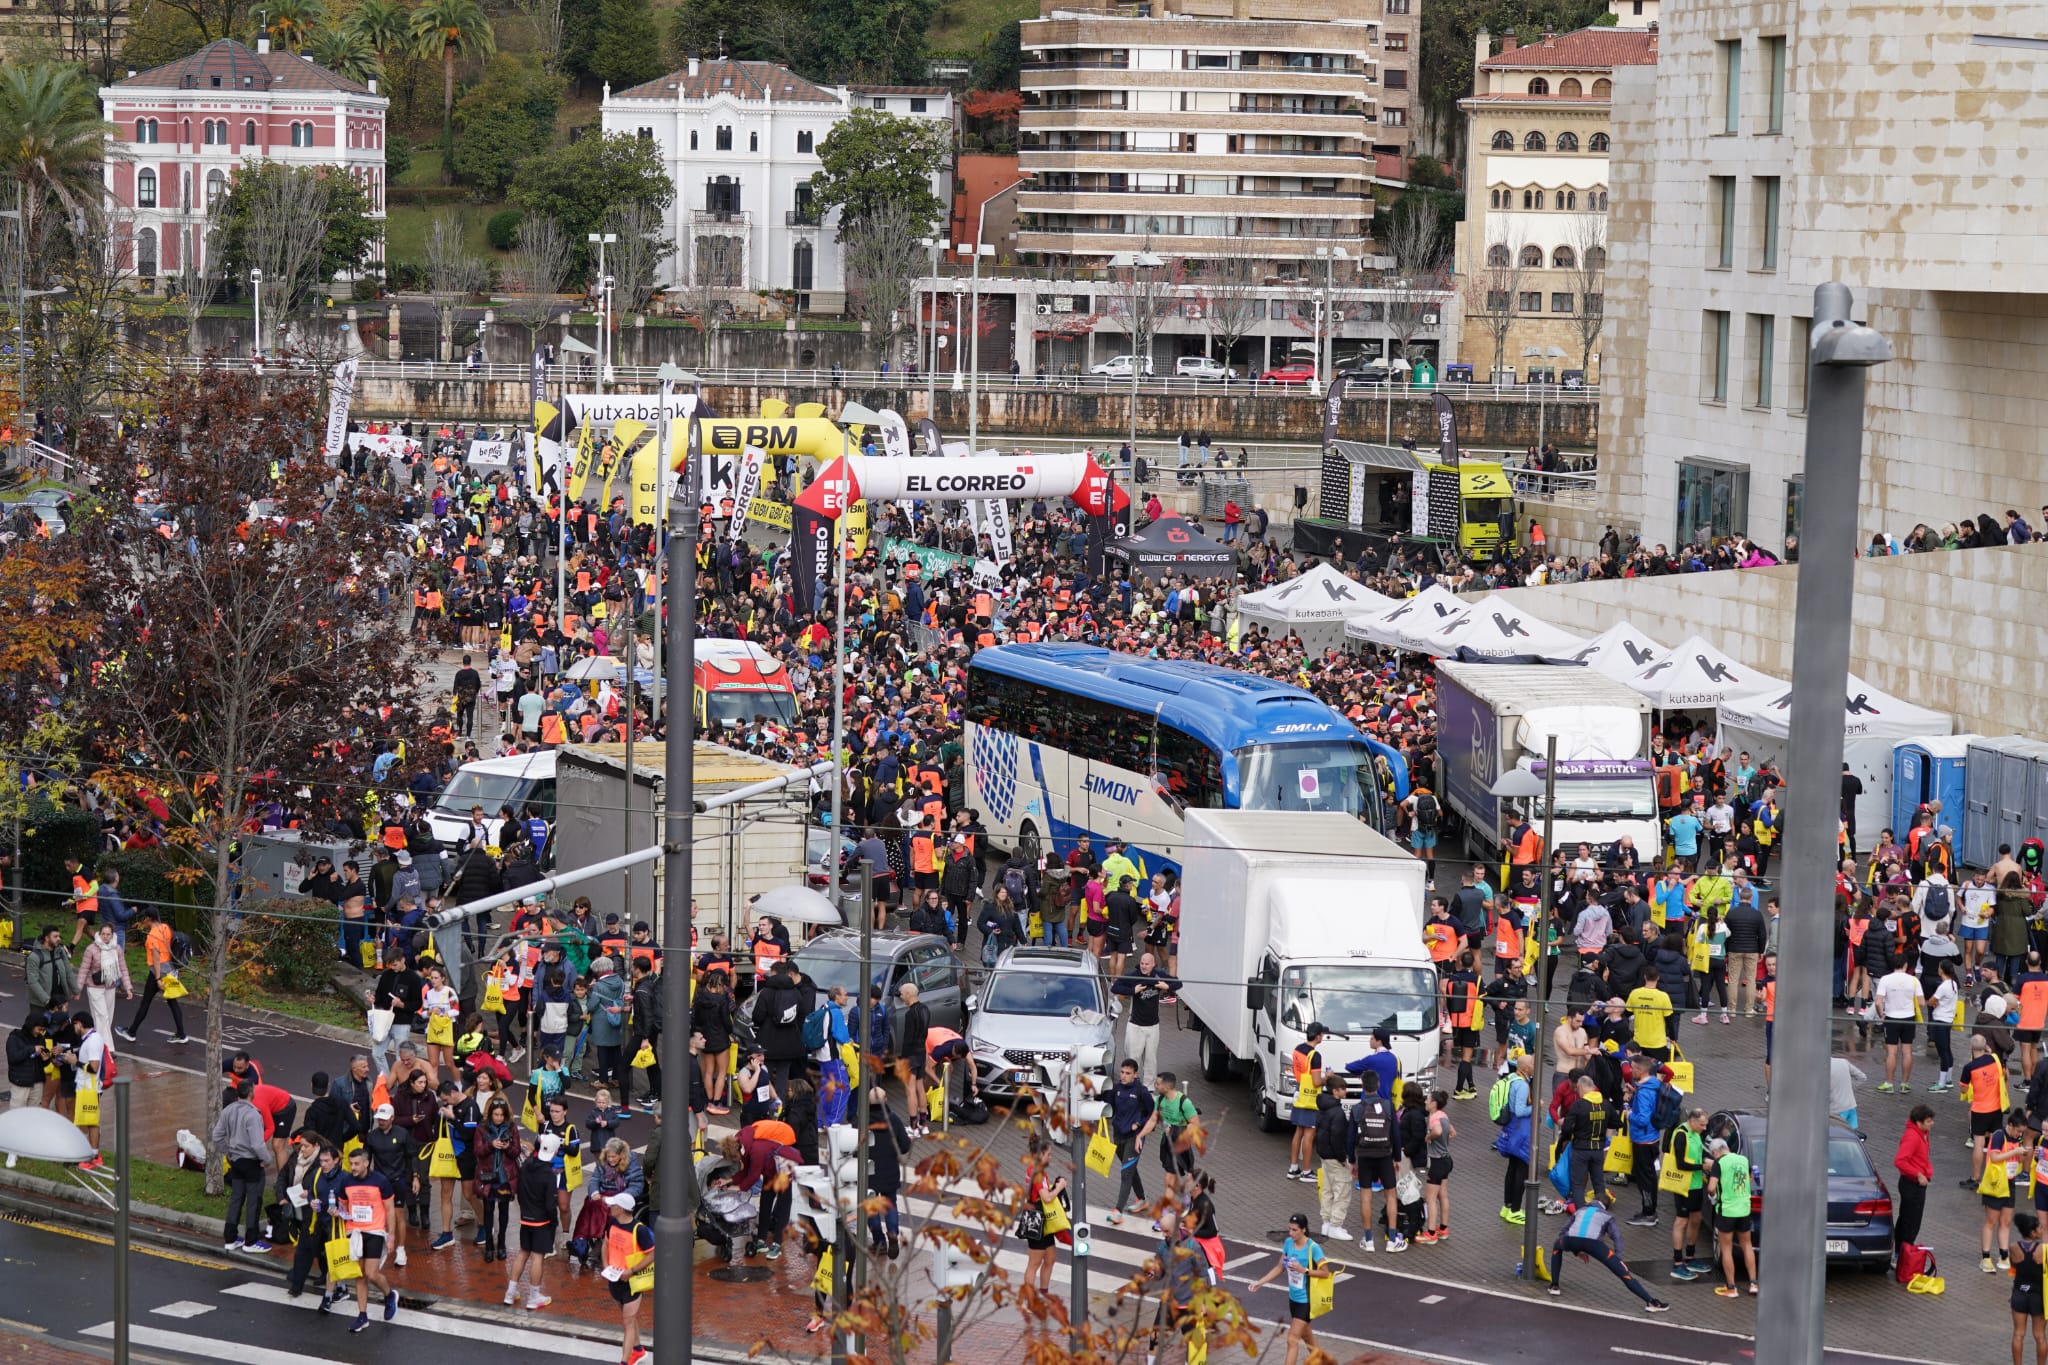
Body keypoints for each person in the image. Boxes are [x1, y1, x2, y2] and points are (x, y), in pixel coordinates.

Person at [1546, 1200, 1669, 1311]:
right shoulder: (1607, 1216)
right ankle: (1651, 1301)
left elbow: (1564, 1231)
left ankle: (1554, 1286)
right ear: (1606, 1206)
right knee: (1623, 1274)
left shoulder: (1580, 1210)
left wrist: (1576, 1250)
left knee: (1557, 1247)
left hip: (1570, 1240)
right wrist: (1618, 1258)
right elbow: (1617, 1237)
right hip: (1594, 1244)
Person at [336, 1143, 401, 1334]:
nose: (353, 1168)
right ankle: (362, 1315)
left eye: (356, 1164)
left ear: (366, 1163)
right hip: (354, 1232)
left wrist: (391, 1237)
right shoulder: (346, 1182)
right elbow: (342, 1206)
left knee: (371, 1274)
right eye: (351, 1164)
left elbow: (390, 1210)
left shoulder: (381, 1181)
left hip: (374, 1232)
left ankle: (389, 1295)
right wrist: (337, 1212)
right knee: (359, 1275)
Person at [1247, 1213, 1329, 1365]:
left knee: (1292, 1340)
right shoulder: (1288, 1244)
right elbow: (1280, 1267)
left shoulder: (1313, 1248)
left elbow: (1325, 1273)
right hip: (1293, 1298)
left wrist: (1304, 1270)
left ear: (1304, 1230)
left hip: (1307, 1300)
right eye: (1289, 1229)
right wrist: (1260, 1282)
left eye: (1294, 1230)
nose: (1291, 1233)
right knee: (1307, 1337)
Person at [212, 1080, 273, 1253]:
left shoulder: (228, 1110)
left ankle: (230, 1238)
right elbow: (257, 1144)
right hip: (252, 1163)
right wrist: (267, 1160)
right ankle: (251, 1241)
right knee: (254, 1201)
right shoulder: (253, 1115)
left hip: (236, 1161)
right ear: (251, 1093)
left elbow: (217, 1136)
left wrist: (228, 1152)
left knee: (236, 1199)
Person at [1350, 1068, 1402, 1251]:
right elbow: (1395, 1134)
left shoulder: (1357, 1109)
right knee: (1391, 1195)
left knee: (1366, 1196)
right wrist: (1397, 1157)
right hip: (1384, 1155)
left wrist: (1352, 1160)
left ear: (1363, 1086)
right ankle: (1392, 1240)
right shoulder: (1388, 1106)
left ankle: (1369, 1240)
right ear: (1378, 1085)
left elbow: (1350, 1138)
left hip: (1364, 1156)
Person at [601, 1192, 655, 1365]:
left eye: (613, 1205)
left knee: (628, 1321)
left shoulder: (640, 1230)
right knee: (628, 1319)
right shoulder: (612, 1223)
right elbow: (606, 1244)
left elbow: (652, 1254)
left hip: (632, 1282)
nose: (610, 1207)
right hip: (615, 1279)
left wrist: (631, 1271)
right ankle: (638, 1350)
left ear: (622, 1209)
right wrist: (605, 1265)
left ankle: (625, 1361)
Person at [120, 908, 189, 1045]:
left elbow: (156, 958)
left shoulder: (152, 935)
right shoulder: (165, 928)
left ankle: (131, 1032)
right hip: (169, 970)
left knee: (145, 1002)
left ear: (148, 918)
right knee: (173, 1002)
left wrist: (157, 978)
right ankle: (181, 1034)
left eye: (144, 918)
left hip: (157, 973)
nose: (143, 921)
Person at [508, 1131, 557, 1311]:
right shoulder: (549, 1175)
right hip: (541, 1221)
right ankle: (534, 1295)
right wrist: (553, 1222)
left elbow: (520, 1191)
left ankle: (511, 1291)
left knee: (522, 1253)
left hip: (525, 1217)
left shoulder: (527, 1166)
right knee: (538, 1257)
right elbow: (551, 1204)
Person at [1113, 952, 1180, 1085]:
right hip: (1135, 1026)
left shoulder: (1159, 974)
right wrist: (1133, 990)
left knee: (1151, 1060)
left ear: (1153, 964)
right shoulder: (1133, 976)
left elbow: (1178, 983)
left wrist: (1167, 987)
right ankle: (1132, 1085)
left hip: (1153, 1026)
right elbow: (1116, 987)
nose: (1144, 966)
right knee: (1133, 1058)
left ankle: (1148, 1088)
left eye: (1147, 964)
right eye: (1142, 963)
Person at [1704, 1137, 1757, 1298]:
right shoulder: (1743, 1159)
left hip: (1727, 1210)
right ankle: (1754, 1284)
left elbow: (1712, 1187)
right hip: (1744, 1209)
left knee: (1726, 1249)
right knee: (1747, 1245)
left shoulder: (1719, 1164)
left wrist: (1713, 1194)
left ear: (1715, 1152)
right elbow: (1750, 1179)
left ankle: (1731, 1287)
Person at [1104, 1058, 1154, 1226]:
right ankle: (1142, 1199)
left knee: (1126, 1173)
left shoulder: (1141, 1091)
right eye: (1122, 1072)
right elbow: (1108, 1106)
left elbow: (1152, 1113)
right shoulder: (1116, 1088)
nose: (1123, 1076)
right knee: (1130, 1169)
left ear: (1135, 1075)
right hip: (1118, 1136)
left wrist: (1139, 1125)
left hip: (1135, 1138)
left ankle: (1118, 1211)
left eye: (1128, 1073)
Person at [1312, 1074, 1353, 1241]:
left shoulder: (1323, 1108)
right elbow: (1337, 1137)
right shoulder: (1338, 1113)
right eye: (1343, 1088)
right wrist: (1342, 1157)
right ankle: (1336, 1225)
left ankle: (1326, 1223)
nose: (1346, 1091)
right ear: (1335, 1091)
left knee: (1327, 1190)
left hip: (1324, 1155)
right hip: (1335, 1157)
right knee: (1342, 1190)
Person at [1874, 960, 1925, 1093]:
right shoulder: (1913, 980)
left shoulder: (1885, 979)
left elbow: (1878, 1002)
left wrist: (1881, 1015)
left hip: (1891, 1018)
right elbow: (1922, 1002)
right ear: (1905, 965)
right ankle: (1905, 1084)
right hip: (1909, 1018)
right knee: (1907, 1052)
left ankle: (1889, 1083)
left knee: (1891, 1053)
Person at [1285, 1022, 1327, 1181]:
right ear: (1317, 1036)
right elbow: (1316, 1081)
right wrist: (1327, 1078)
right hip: (1310, 1097)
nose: (1323, 1036)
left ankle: (1293, 1167)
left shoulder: (1298, 1049)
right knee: (1309, 1134)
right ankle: (1307, 1171)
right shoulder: (1315, 1056)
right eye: (1322, 1034)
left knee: (1298, 1131)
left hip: (1299, 1092)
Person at [78, 922, 131, 1048]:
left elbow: (123, 969)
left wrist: (128, 987)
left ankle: (94, 1044)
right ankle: (107, 1048)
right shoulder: (91, 949)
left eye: (108, 934)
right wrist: (78, 989)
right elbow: (84, 969)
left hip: (110, 987)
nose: (105, 937)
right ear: (99, 934)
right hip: (94, 987)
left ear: (112, 935)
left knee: (107, 1019)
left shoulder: (117, 949)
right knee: (102, 1017)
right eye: (103, 934)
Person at [1894, 1104, 1934, 1252]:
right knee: (1910, 1222)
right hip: (1912, 1184)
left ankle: (1901, 1250)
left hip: (1915, 1183)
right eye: (1928, 1121)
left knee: (1907, 1219)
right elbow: (1900, 1161)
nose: (1932, 1124)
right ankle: (1903, 1252)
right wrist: (1918, 1174)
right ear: (1919, 1122)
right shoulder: (1913, 1137)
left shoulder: (1922, 1134)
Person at [1418, 1088, 1456, 1244]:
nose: (1425, 1102)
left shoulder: (1434, 1118)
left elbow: (1439, 1131)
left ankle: (1431, 1233)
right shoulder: (1444, 1116)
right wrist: (1443, 1144)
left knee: (1430, 1198)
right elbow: (1453, 1133)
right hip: (1447, 1160)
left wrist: (1429, 1137)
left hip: (1437, 1162)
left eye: (1427, 1099)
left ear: (1434, 1103)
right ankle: (1443, 1229)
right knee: (1443, 1196)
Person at [2014, 1210, 2046, 1365]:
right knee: (2040, 1336)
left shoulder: (2013, 1247)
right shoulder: (2043, 1250)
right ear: (2033, 1232)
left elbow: (2014, 1269)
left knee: (2018, 1334)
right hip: (2037, 1296)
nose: (2043, 1230)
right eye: (2040, 1228)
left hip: (2019, 1293)